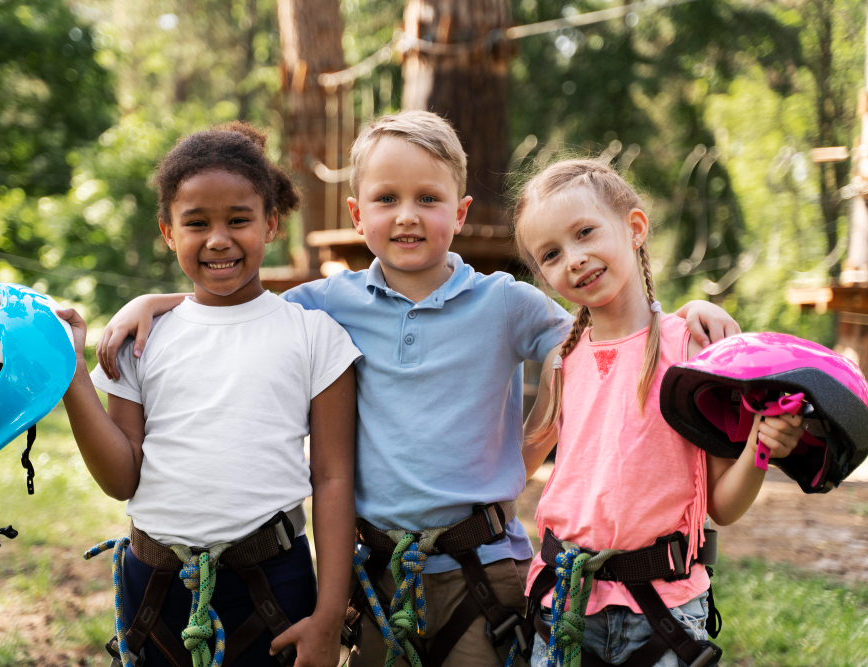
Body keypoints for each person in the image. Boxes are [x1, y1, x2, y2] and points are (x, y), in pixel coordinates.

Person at [95, 112, 739, 667]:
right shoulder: (328, 303)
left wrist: (679, 316)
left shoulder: (506, 304)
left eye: (428, 199)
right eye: (386, 199)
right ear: (357, 212)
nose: (407, 216)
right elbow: (234, 300)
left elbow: (606, 330)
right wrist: (156, 301)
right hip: (375, 574)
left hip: (483, 571)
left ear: (459, 213)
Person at [56, 123, 362, 667]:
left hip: (272, 588)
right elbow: (121, 477)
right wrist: (71, 375)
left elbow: (334, 479)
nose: (218, 239)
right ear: (168, 232)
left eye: (238, 220)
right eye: (196, 223)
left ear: (271, 223)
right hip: (154, 588)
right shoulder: (140, 339)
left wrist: (329, 615)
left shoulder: (314, 336)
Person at [512, 158, 806, 667]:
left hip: (663, 615)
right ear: (543, 275)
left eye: (585, 232)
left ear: (635, 228)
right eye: (552, 254)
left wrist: (762, 447)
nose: (575, 259)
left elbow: (724, 507)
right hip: (563, 609)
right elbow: (511, 466)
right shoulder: (563, 361)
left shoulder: (692, 350)